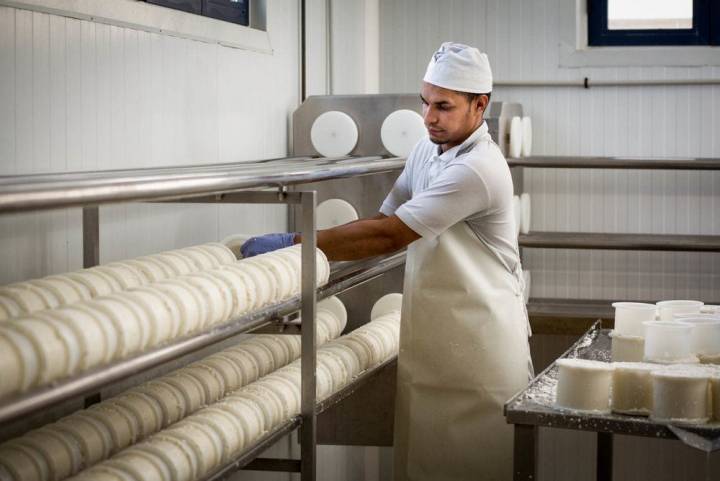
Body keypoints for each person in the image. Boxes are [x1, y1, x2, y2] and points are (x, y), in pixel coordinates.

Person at [241, 42, 533, 481]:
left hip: (482, 353)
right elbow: (382, 218)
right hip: (434, 344)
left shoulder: (479, 168)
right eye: (425, 103)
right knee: (424, 463)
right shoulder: (425, 152)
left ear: (480, 105)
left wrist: (295, 242)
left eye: (444, 106)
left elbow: (390, 234)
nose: (429, 117)